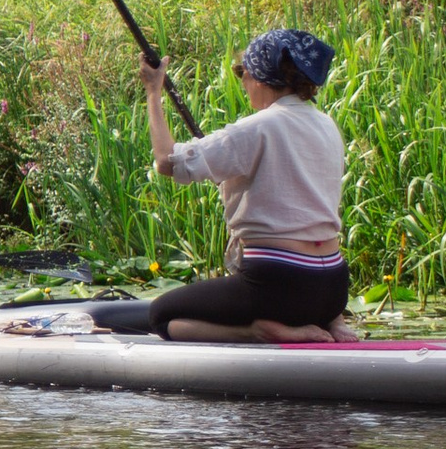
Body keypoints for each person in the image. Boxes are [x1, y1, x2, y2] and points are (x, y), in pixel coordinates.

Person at [143, 30, 355, 344]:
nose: (243, 83)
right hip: (334, 287)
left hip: (280, 285)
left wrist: (152, 91)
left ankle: (256, 330)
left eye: (244, 75)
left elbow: (165, 162)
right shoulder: (327, 125)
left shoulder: (258, 127)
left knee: (162, 316)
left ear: (259, 78)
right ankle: (332, 322)